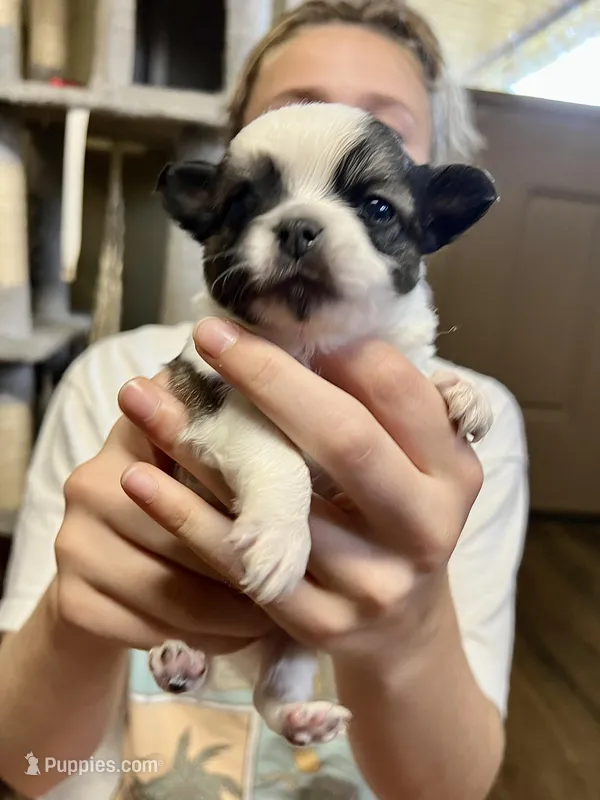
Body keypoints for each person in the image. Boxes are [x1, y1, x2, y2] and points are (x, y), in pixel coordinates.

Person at [0, 2, 529, 798]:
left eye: (374, 201)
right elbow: (21, 762)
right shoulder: (121, 379)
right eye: (258, 198)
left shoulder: (477, 426)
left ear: (434, 215)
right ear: (213, 202)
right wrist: (74, 622)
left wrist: (412, 631)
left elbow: (454, 787)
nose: (304, 225)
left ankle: (280, 688)